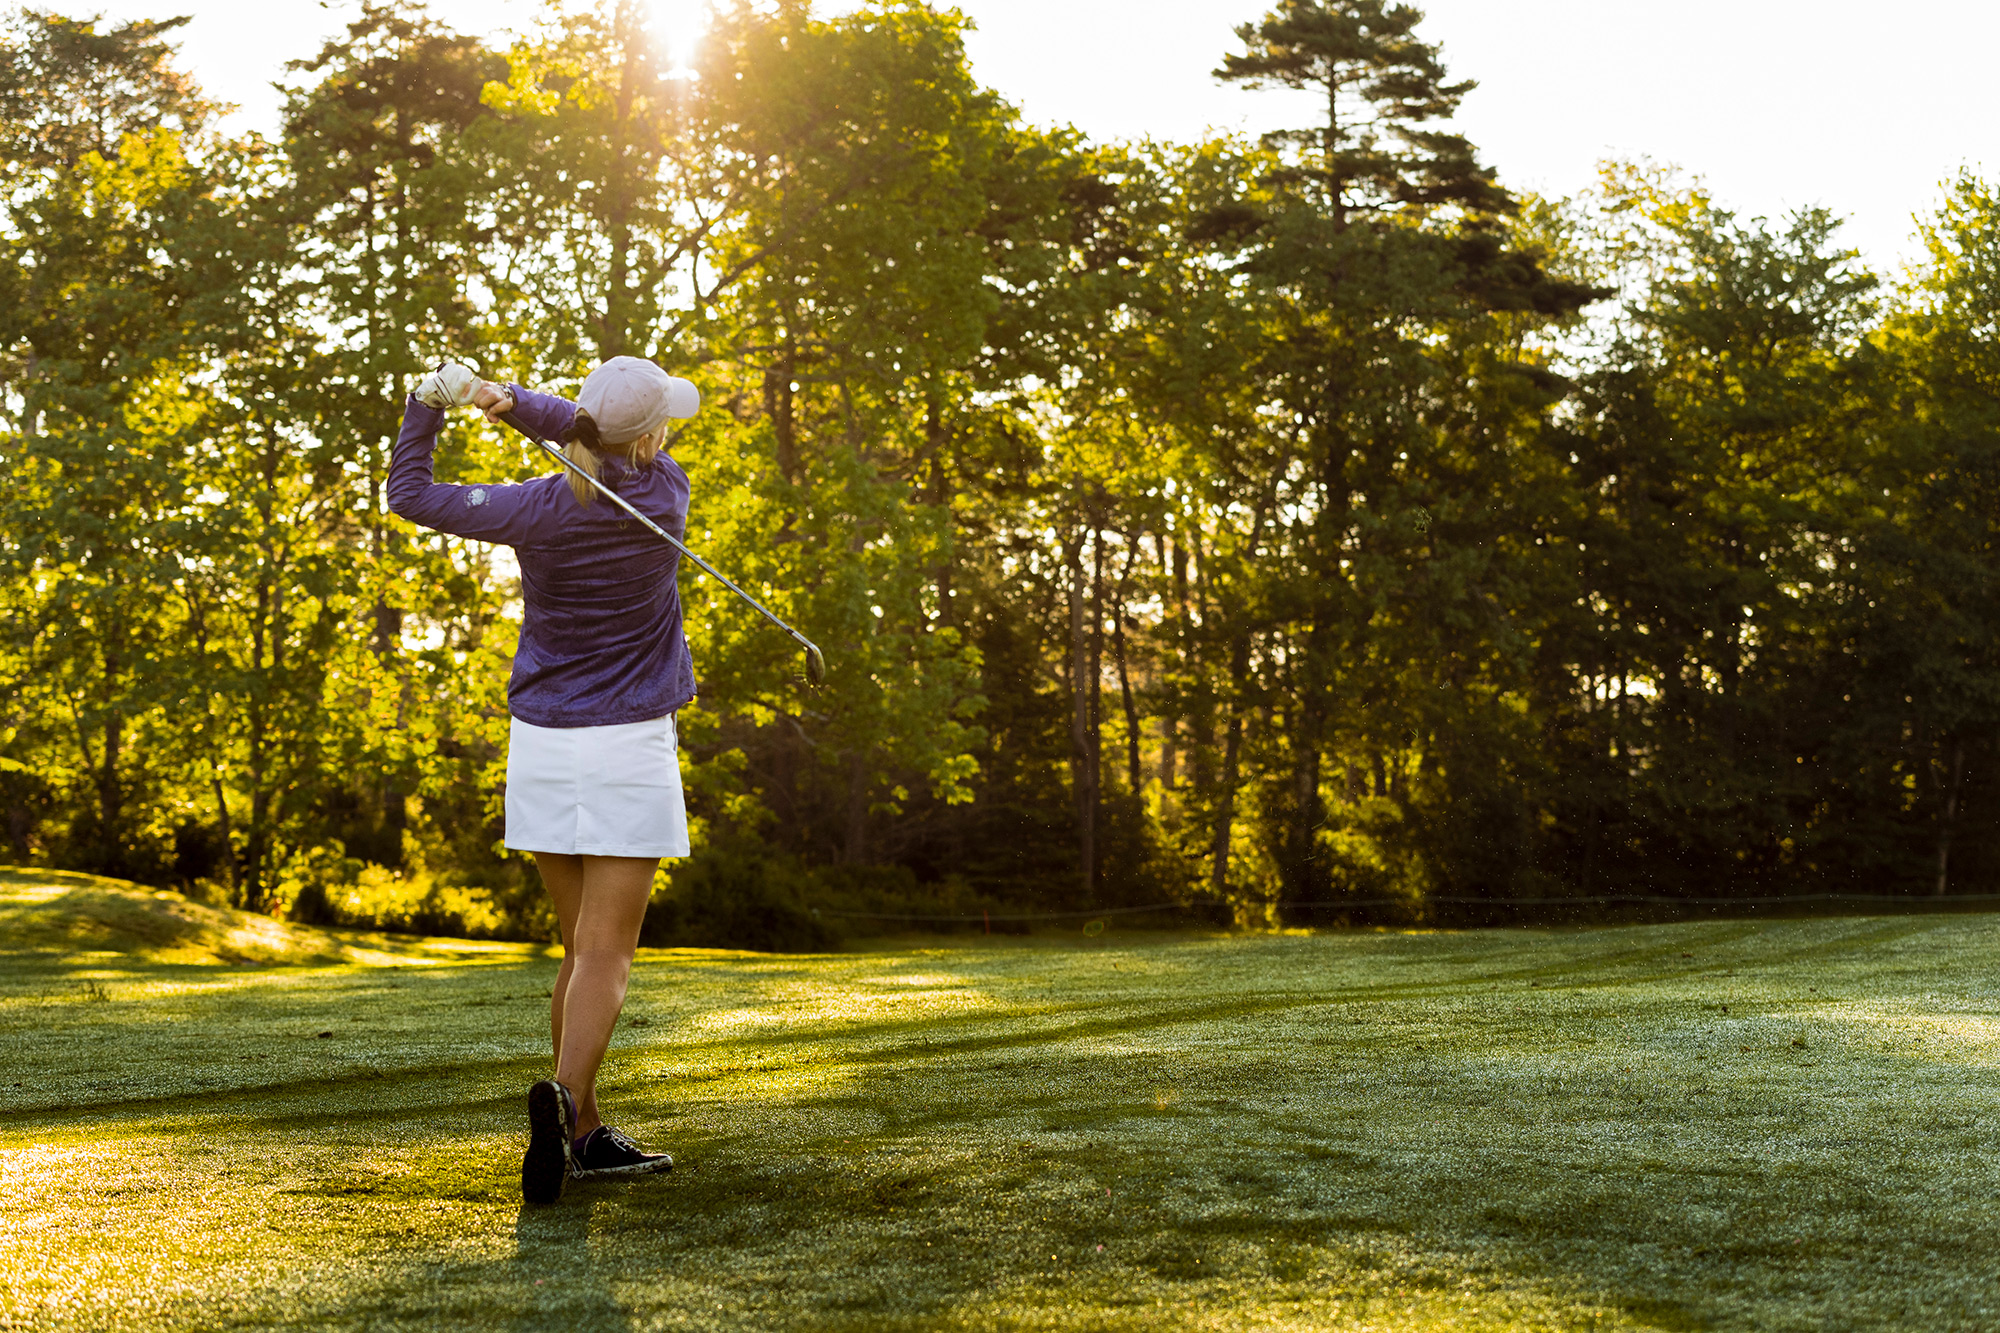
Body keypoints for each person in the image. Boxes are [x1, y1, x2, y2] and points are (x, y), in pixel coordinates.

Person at [390, 356, 701, 1205]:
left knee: (577, 949)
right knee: (607, 952)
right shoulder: (663, 490)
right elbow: (586, 429)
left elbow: (410, 496)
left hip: (542, 744)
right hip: (628, 745)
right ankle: (566, 1100)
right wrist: (511, 404)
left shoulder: (535, 503)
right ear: (650, 435)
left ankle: (585, 1129)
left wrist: (437, 406)